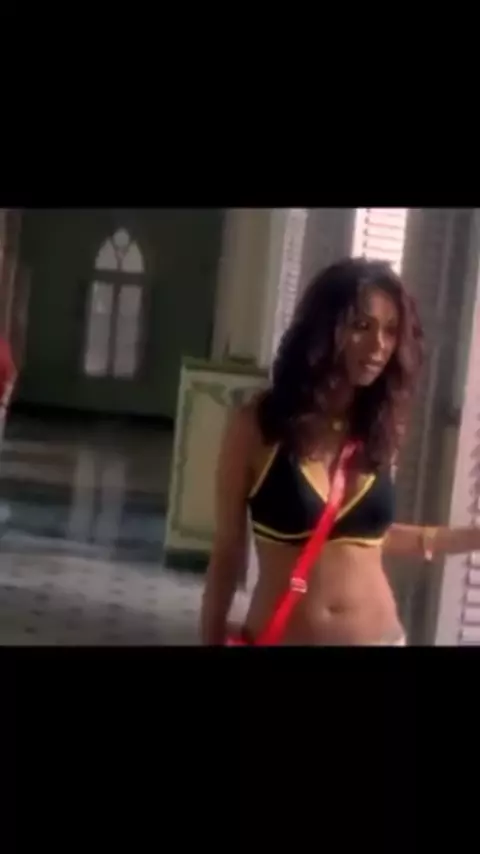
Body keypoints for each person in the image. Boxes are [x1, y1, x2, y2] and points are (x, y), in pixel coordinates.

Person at [200, 257, 480, 645]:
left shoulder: (377, 428)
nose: (379, 345)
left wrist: (472, 537)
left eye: (391, 330)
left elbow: (369, 537)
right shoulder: (258, 426)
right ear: (325, 330)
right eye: (362, 326)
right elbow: (228, 552)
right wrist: (210, 636)